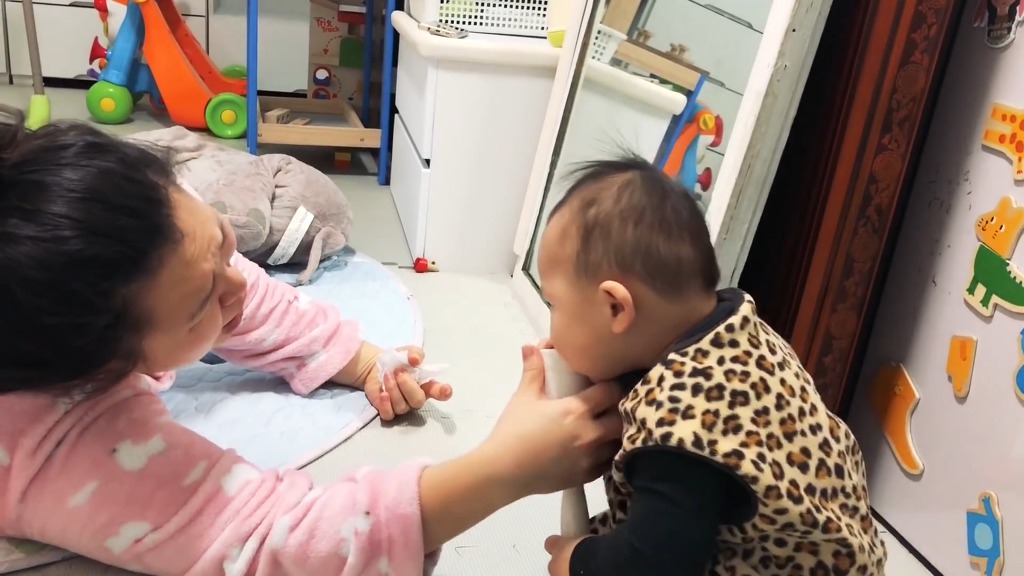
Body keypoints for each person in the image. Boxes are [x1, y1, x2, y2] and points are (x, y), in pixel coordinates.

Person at [0, 113, 623, 575]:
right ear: (102, 362)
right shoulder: (54, 437)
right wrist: (506, 469)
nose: (237, 283)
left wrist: (363, 361)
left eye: (222, 243)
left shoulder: (148, 233)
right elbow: (276, 542)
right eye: (201, 304)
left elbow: (247, 298)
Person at [537, 156, 888, 575]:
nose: (552, 326)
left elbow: (651, 565)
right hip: (839, 542)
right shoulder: (734, 333)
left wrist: (577, 561)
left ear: (616, 308)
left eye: (554, 304)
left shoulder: (678, 427)